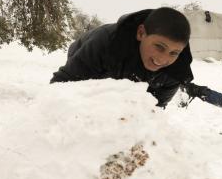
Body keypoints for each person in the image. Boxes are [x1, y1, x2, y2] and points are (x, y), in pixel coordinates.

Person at [50, 7, 193, 107]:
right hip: (85, 52)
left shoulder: (176, 71)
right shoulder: (106, 44)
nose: (162, 59)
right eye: (159, 47)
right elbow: (60, 85)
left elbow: (155, 108)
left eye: (174, 53)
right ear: (141, 33)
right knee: (86, 97)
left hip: (128, 68)